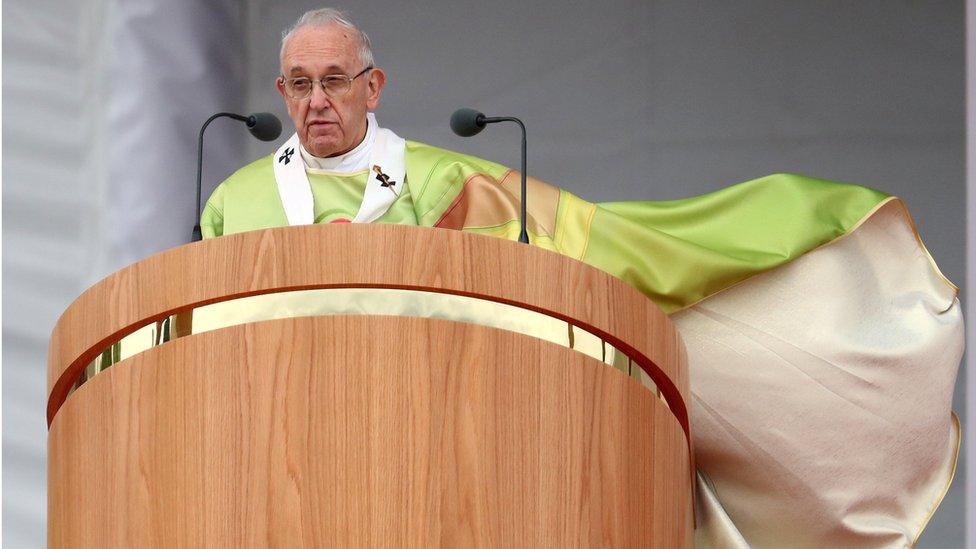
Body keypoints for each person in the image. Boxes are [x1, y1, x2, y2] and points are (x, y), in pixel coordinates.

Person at [201, 8, 963, 547]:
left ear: (374, 86)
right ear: (280, 95)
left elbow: (590, 250)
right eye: (299, 84)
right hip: (277, 461)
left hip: (431, 457)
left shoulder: (448, 181)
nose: (317, 100)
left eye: (334, 80)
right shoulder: (234, 200)